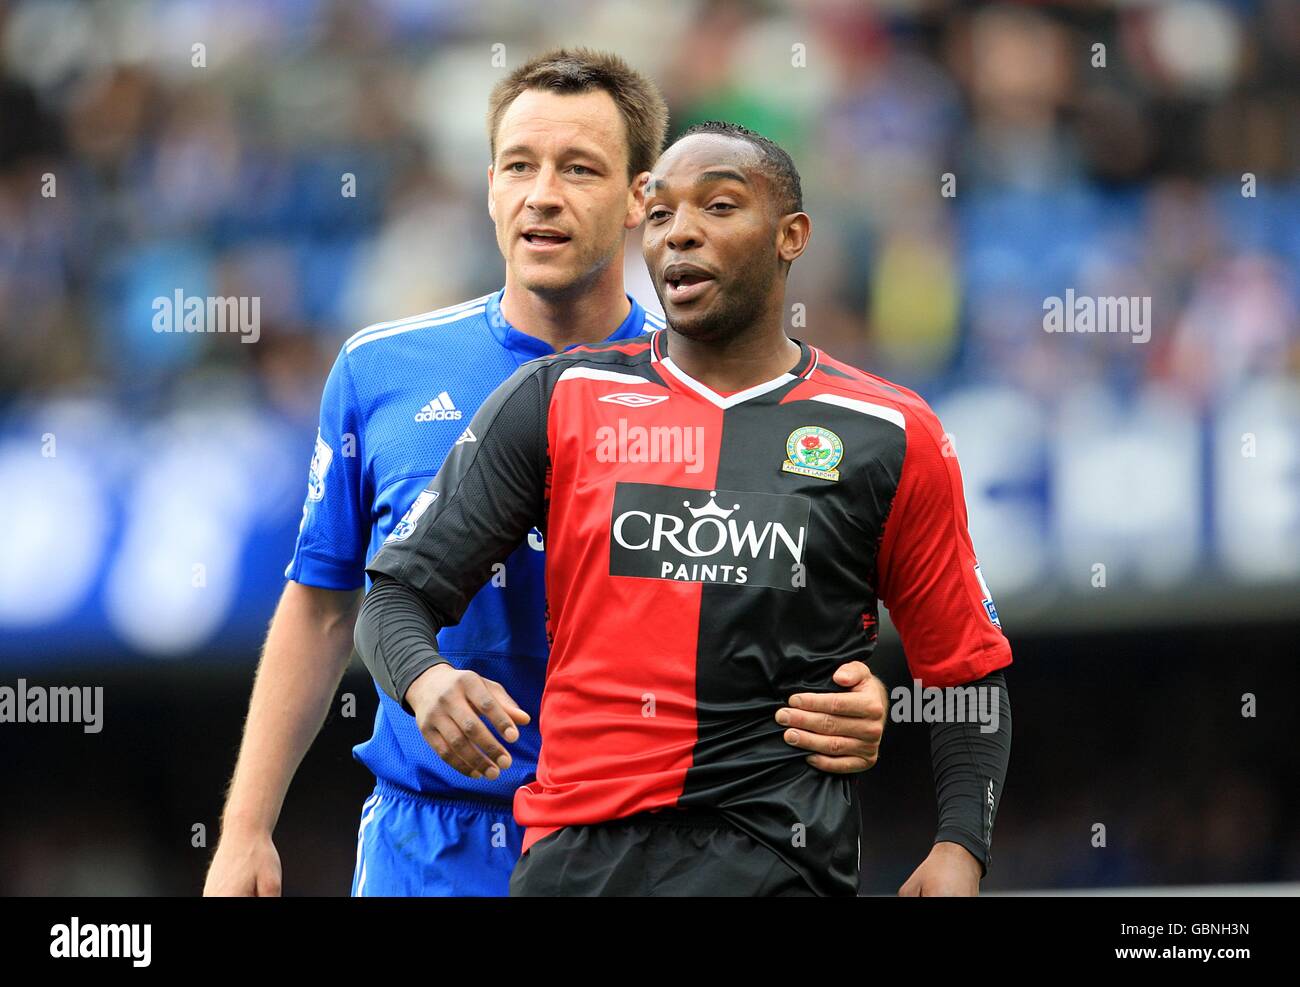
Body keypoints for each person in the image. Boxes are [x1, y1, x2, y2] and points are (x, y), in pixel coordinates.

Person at [205, 51, 889, 898]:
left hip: (630, 845)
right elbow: (320, 604)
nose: (543, 194)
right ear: (489, 184)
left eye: (580, 169)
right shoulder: (381, 370)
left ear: (643, 198)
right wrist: (244, 828)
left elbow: (831, 588)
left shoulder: (716, 386)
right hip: (429, 842)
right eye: (519, 166)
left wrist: (866, 693)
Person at [354, 121, 1014, 896]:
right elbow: (396, 593)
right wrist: (425, 679)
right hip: (577, 864)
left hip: (778, 864)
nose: (681, 235)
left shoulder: (889, 432)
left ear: (791, 236)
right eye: (660, 214)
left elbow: (968, 669)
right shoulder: (560, 397)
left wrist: (960, 847)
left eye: (720, 206)